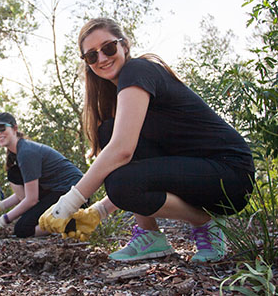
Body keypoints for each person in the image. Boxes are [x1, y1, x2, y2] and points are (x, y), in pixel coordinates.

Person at [39, 17, 255, 263]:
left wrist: (68, 204)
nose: (101, 58)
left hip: (230, 174)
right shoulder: (120, 95)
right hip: (193, 171)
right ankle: (150, 236)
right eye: (91, 56)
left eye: (108, 48)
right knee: (109, 133)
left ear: (125, 46)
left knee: (120, 176)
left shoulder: (138, 70)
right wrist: (98, 211)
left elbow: (122, 152)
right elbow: (136, 164)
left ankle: (206, 223)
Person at [0, 112, 85, 238]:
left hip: (73, 192)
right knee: (14, 173)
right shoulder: (17, 154)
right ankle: (62, 220)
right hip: (55, 191)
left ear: (14, 128)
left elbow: (31, 199)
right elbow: (26, 193)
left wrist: (2, 220)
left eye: (2, 128)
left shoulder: (26, 152)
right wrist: (0, 206)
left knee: (22, 229)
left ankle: (72, 223)